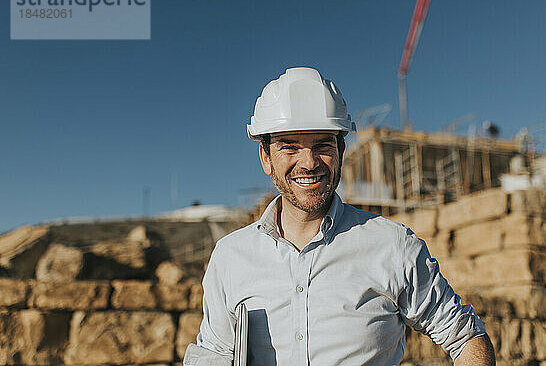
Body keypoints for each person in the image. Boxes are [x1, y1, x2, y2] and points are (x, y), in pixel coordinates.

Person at [184, 67, 495, 365]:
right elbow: (215, 352)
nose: (308, 163)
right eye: (289, 147)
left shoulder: (393, 246)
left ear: (341, 150)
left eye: (322, 145)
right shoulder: (230, 257)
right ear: (266, 157)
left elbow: (465, 336)